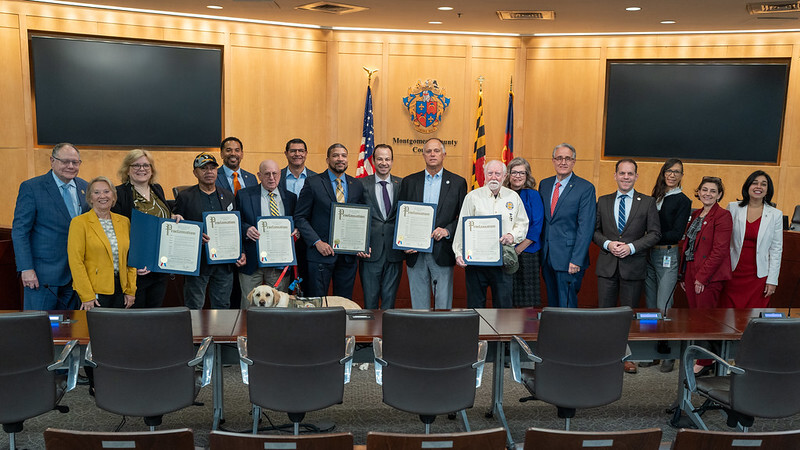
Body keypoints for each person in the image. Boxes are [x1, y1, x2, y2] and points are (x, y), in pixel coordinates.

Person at [12, 142, 89, 310]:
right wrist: (26, 268)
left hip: (77, 277)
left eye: (75, 162)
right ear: (52, 161)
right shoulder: (32, 188)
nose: (70, 166)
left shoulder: (86, 187)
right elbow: (20, 232)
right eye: (65, 161)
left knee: (74, 329)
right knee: (38, 329)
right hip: (42, 277)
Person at [397, 138, 467, 309]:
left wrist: (447, 230)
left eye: (436, 151)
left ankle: (442, 336)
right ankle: (420, 336)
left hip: (442, 251)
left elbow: (464, 217)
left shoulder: (458, 183)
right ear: (423, 155)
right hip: (415, 252)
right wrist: (403, 241)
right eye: (428, 151)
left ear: (444, 154)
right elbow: (401, 216)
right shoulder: (409, 182)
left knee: (443, 305)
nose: (432, 154)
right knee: (419, 306)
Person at [174, 153, 246, 309]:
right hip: (197, 263)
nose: (209, 172)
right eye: (203, 168)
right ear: (195, 172)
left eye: (213, 168)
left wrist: (241, 251)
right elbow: (177, 226)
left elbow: (235, 226)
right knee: (194, 305)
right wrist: (194, 236)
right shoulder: (185, 197)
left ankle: (220, 334)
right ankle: (195, 334)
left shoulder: (227, 196)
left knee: (222, 306)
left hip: (224, 262)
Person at [294, 143, 366, 299]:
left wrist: (362, 243)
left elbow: (361, 218)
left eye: (344, 156)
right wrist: (317, 242)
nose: (340, 159)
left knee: (344, 302)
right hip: (320, 254)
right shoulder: (313, 183)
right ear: (327, 159)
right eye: (335, 155)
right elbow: (300, 217)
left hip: (348, 257)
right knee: (317, 304)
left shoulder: (357, 185)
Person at [453, 160, 528, 308]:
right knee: (475, 307)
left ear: (505, 176)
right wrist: (458, 252)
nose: (494, 177)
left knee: (503, 308)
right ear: (484, 176)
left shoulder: (513, 197)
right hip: (476, 261)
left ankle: (502, 333)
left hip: (503, 261)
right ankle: (477, 332)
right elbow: (462, 225)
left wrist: (512, 236)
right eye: (490, 173)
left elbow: (522, 224)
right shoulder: (472, 197)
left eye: (498, 174)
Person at [112, 148, 180, 308]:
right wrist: (134, 263)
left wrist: (173, 217)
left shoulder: (157, 189)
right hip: (137, 268)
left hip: (160, 266)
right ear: (127, 170)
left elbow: (161, 219)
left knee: (155, 313)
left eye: (146, 165)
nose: (141, 169)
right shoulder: (119, 193)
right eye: (136, 165)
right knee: (137, 317)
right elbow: (118, 233)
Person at [642, 159, 691, 373]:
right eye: (669, 171)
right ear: (663, 173)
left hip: (667, 255)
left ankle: (667, 354)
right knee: (651, 307)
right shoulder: (655, 197)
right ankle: (651, 352)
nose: (672, 175)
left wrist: (649, 237)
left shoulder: (683, 200)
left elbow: (678, 233)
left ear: (682, 175)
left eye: (677, 172)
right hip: (649, 255)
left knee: (664, 306)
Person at [678, 176, 732, 375]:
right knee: (696, 316)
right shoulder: (697, 214)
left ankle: (705, 361)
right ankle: (704, 357)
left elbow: (719, 250)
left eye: (712, 191)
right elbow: (688, 245)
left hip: (708, 274)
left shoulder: (723, 215)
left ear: (719, 195)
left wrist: (702, 277)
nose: (707, 193)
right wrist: (683, 274)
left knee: (706, 318)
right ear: (698, 192)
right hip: (691, 270)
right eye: (704, 190)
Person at [594, 158, 661, 311]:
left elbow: (655, 233)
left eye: (630, 173)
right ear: (615, 175)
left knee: (629, 316)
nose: (626, 177)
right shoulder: (603, 201)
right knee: (603, 314)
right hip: (606, 269)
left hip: (633, 268)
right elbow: (594, 231)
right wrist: (608, 244)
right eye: (622, 173)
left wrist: (631, 247)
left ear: (636, 176)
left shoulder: (647, 202)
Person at [539, 143, 596, 308]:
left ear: (574, 161)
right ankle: (554, 334)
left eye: (567, 158)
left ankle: (569, 335)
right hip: (547, 256)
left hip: (570, 259)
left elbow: (586, 227)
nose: (563, 162)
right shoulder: (545, 184)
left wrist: (576, 259)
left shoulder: (585, 188)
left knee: (567, 306)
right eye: (559, 158)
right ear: (553, 160)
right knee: (552, 304)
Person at [68, 176, 137, 310]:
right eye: (97, 192)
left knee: (119, 330)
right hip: (94, 293)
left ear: (113, 196)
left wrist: (130, 290)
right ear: (90, 197)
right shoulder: (79, 223)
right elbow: (76, 262)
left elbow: (130, 260)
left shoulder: (124, 222)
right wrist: (87, 295)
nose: (102, 196)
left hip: (121, 290)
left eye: (106, 191)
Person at [236, 159, 297, 307]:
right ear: (259, 175)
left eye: (275, 173)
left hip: (279, 262)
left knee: (279, 305)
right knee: (248, 304)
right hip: (251, 260)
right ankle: (247, 330)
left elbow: (298, 221)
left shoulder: (291, 198)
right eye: (267, 174)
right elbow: (235, 222)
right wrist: (246, 229)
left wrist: (297, 230)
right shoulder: (244, 195)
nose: (271, 177)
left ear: (280, 174)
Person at [720, 171, 783, 308]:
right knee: (727, 316)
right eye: (754, 183)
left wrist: (772, 280)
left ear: (768, 189)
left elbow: (776, 250)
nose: (758, 187)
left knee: (753, 316)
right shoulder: (733, 208)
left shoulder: (775, 215)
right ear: (748, 186)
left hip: (758, 276)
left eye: (763, 184)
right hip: (732, 272)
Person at [359, 144, 403, 309]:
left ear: (392, 161)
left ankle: (386, 334)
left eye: (387, 159)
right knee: (370, 302)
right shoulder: (361, 184)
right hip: (370, 252)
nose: (384, 163)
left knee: (389, 302)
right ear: (373, 160)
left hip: (394, 252)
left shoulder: (402, 184)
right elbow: (355, 217)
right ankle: (370, 334)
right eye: (380, 159)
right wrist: (360, 244)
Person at [503, 157, 544, 307]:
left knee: (527, 297)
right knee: (508, 294)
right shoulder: (503, 194)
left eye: (522, 172)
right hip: (506, 250)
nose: (518, 176)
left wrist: (520, 248)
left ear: (527, 175)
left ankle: (526, 330)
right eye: (514, 172)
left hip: (528, 251)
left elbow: (537, 225)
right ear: (508, 174)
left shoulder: (533, 195)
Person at [278, 138, 317, 294]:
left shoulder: (317, 179)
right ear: (286, 153)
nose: (297, 154)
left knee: (308, 282)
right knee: (284, 285)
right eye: (293, 151)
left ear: (306, 154)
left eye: (301, 151)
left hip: (308, 240)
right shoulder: (276, 177)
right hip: (283, 239)